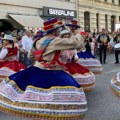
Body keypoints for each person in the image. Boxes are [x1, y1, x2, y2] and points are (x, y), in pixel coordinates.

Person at [0, 18, 87, 120]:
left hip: (37, 68)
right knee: (55, 99)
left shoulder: (37, 40)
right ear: (54, 30)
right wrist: (78, 34)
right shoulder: (55, 41)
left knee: (35, 98)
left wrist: (40, 61)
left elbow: (30, 56)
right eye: (58, 29)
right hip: (52, 71)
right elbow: (75, 43)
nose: (59, 31)